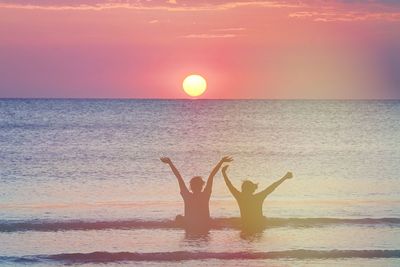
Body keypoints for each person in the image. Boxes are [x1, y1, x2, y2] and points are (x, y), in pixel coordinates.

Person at [160, 156, 232, 232]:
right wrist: (221, 161)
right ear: (202, 185)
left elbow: (179, 177)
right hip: (204, 226)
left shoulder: (187, 196)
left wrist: (170, 163)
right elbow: (211, 176)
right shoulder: (205, 195)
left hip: (190, 227)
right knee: (213, 220)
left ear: (191, 186)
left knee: (178, 217)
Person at [222, 164, 293, 232]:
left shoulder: (240, 197)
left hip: (247, 227)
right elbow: (272, 187)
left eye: (243, 188)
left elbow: (229, 185)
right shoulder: (258, 197)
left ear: (244, 189)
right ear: (252, 190)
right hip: (258, 227)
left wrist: (224, 173)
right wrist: (285, 177)